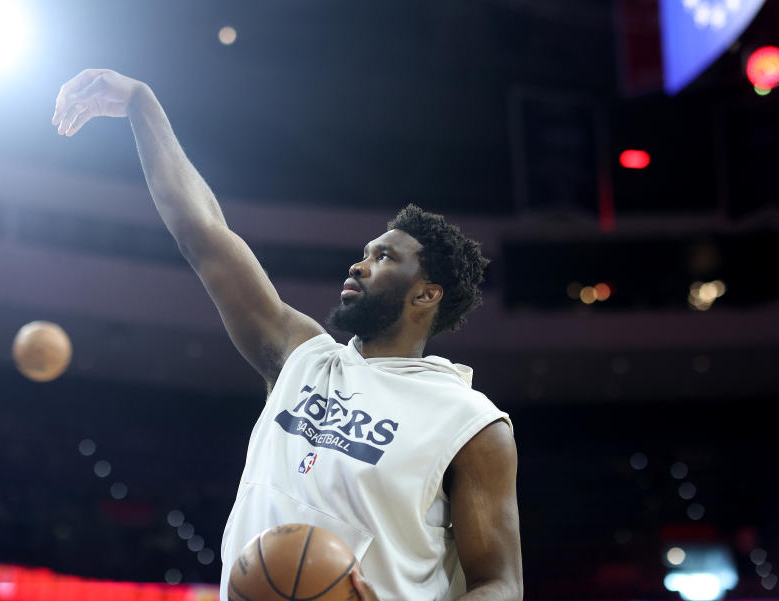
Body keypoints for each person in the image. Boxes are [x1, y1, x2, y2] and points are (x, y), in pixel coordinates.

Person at [53, 69, 523, 601]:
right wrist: (142, 104)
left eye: (384, 257)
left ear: (426, 295)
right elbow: (203, 235)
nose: (360, 264)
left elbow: (501, 584)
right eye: (365, 252)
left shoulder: (470, 422)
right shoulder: (302, 357)